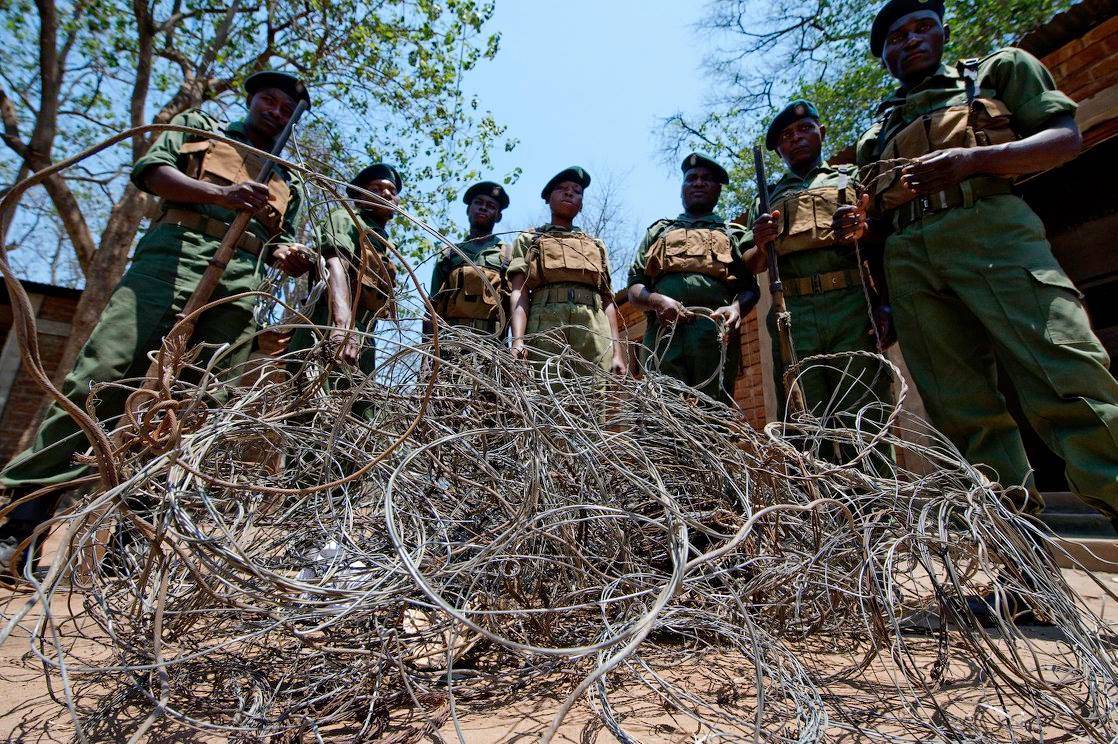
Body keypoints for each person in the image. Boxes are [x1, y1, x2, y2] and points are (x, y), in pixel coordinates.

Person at [0, 71, 313, 568]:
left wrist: (287, 255)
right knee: (100, 380)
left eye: (285, 109)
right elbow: (152, 173)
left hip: (238, 286)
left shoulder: (287, 180)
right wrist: (221, 196)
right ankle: (21, 523)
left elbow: (278, 241)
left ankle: (130, 541)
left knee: (191, 409)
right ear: (250, 100)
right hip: (169, 261)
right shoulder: (201, 127)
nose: (276, 111)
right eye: (268, 100)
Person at [847, 0, 1118, 532]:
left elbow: (1065, 139)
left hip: (993, 233)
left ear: (944, 34)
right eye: (895, 39)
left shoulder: (1000, 71)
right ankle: (1020, 569)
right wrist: (879, 294)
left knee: (1067, 378)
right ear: (885, 59)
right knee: (963, 416)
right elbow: (872, 225)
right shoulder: (875, 137)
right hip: (909, 264)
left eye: (922, 28)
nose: (910, 41)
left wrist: (973, 160)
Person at [746, 102, 896, 455]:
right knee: (804, 419)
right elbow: (752, 263)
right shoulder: (767, 196)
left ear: (822, 132)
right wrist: (761, 241)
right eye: (786, 136)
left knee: (865, 412)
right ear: (778, 149)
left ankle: (881, 508)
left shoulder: (850, 177)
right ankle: (819, 508)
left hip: (851, 306)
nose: (796, 138)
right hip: (793, 315)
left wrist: (884, 302)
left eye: (804, 129)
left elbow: (882, 237)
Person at [626, 153, 760, 402]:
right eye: (691, 178)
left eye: (707, 179)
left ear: (718, 189)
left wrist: (736, 309)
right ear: (682, 187)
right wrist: (657, 301)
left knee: (713, 417)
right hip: (663, 337)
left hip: (714, 336)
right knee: (664, 417)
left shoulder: (734, 234)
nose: (698, 183)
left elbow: (751, 288)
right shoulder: (659, 232)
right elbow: (634, 287)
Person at [506, 167, 628, 377]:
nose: (569, 193)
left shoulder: (596, 245)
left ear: (581, 204)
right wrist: (517, 341)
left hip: (593, 328)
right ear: (547, 198)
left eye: (577, 191)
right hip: (545, 324)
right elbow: (519, 292)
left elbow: (608, 300)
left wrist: (617, 353)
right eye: (561, 188)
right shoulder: (529, 239)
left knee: (594, 398)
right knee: (545, 396)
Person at [289, 163, 401, 375]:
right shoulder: (346, 218)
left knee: (362, 404)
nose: (386, 194)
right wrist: (342, 327)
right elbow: (335, 264)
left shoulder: (380, 241)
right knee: (320, 401)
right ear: (360, 197)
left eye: (392, 191)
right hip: (330, 324)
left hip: (362, 333)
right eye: (376, 189)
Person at [428, 181, 512, 336]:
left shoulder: (508, 255)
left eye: (491, 206)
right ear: (468, 210)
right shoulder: (449, 254)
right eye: (478, 203)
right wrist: (427, 351)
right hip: (451, 340)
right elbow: (432, 305)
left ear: (499, 216)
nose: (483, 208)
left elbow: (515, 306)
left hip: (492, 344)